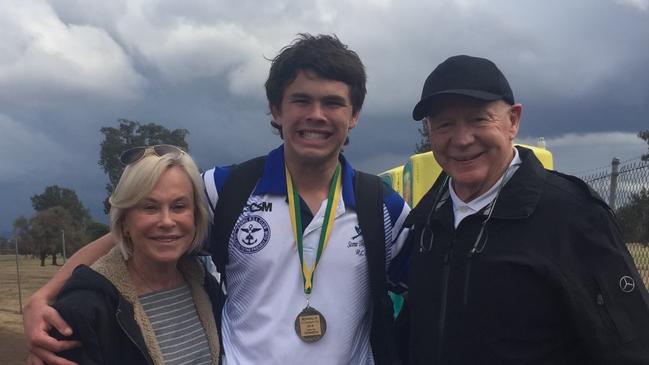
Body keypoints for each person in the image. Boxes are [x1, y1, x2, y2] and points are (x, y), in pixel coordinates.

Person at [24, 34, 410, 365]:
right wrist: (44, 295)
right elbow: (131, 237)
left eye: (333, 103)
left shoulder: (383, 207)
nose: (316, 115)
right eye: (301, 100)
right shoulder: (225, 189)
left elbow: (435, 285)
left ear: (355, 114)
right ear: (276, 109)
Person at [396, 55, 649, 364]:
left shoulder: (573, 216)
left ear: (513, 120)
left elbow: (631, 346)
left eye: (478, 119)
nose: (461, 139)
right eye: (444, 124)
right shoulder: (427, 222)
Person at [47, 145, 222, 364]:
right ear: (124, 221)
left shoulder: (206, 288)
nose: (167, 221)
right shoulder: (84, 309)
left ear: (196, 218)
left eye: (179, 206)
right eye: (150, 207)